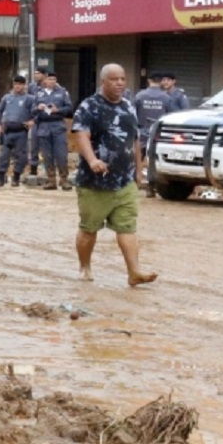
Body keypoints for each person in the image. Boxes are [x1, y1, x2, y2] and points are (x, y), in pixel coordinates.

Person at [72, 63, 157, 287]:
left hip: (125, 180)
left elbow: (136, 140)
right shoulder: (89, 106)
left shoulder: (129, 105)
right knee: (89, 228)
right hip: (95, 183)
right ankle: (85, 267)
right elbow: (81, 136)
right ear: (103, 81)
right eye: (114, 79)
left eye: (122, 79)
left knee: (127, 227)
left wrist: (139, 171)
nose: (119, 83)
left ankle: (134, 272)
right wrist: (92, 160)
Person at [32, 70, 74, 190]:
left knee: (61, 154)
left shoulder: (62, 92)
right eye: (50, 79)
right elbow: (32, 111)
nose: (52, 81)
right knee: (47, 155)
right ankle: (51, 180)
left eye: (54, 80)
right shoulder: (39, 94)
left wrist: (58, 110)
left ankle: (64, 179)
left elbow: (69, 108)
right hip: (44, 127)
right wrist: (38, 108)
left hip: (58, 126)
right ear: (45, 80)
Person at [133, 72, 173, 198]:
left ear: (149, 81)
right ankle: (151, 188)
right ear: (161, 81)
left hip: (141, 131)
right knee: (153, 161)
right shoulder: (166, 98)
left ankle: (133, 184)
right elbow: (171, 116)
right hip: (158, 132)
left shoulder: (139, 96)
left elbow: (132, 114)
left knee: (136, 158)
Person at [0, 75, 36, 187]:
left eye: (20, 84)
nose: (17, 86)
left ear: (24, 85)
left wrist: (33, 121)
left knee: (21, 156)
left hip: (21, 131)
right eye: (15, 84)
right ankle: (1, 178)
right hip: (7, 131)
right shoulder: (7, 98)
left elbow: (37, 113)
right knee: (3, 155)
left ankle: (16, 177)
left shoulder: (30, 99)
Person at [27, 68, 48, 173]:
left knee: (46, 145)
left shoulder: (51, 87)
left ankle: (47, 167)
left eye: (38, 73)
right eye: (35, 73)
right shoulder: (32, 87)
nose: (36, 75)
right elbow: (30, 104)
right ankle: (33, 168)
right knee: (33, 144)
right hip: (35, 119)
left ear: (44, 75)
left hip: (46, 120)